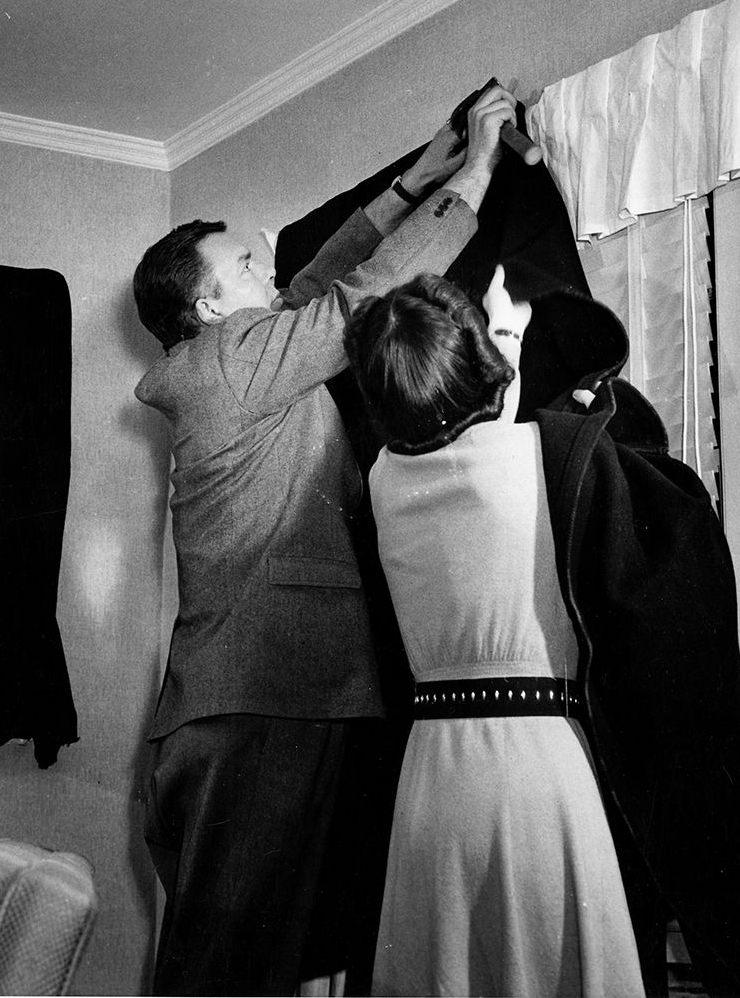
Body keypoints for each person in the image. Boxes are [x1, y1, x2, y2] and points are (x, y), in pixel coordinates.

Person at [131, 83, 518, 996]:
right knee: (224, 978)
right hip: (260, 700)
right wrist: (477, 171)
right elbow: (354, 299)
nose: (266, 254)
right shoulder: (226, 365)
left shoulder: (231, 355)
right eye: (240, 257)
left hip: (271, 698)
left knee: (263, 967)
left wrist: (412, 180)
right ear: (211, 308)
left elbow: (313, 287)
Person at [342, 267, 647, 997]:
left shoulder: (383, 479)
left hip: (432, 777)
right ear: (482, 363)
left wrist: (495, 340)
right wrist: (505, 333)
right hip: (534, 763)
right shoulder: (550, 453)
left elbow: (469, 420)